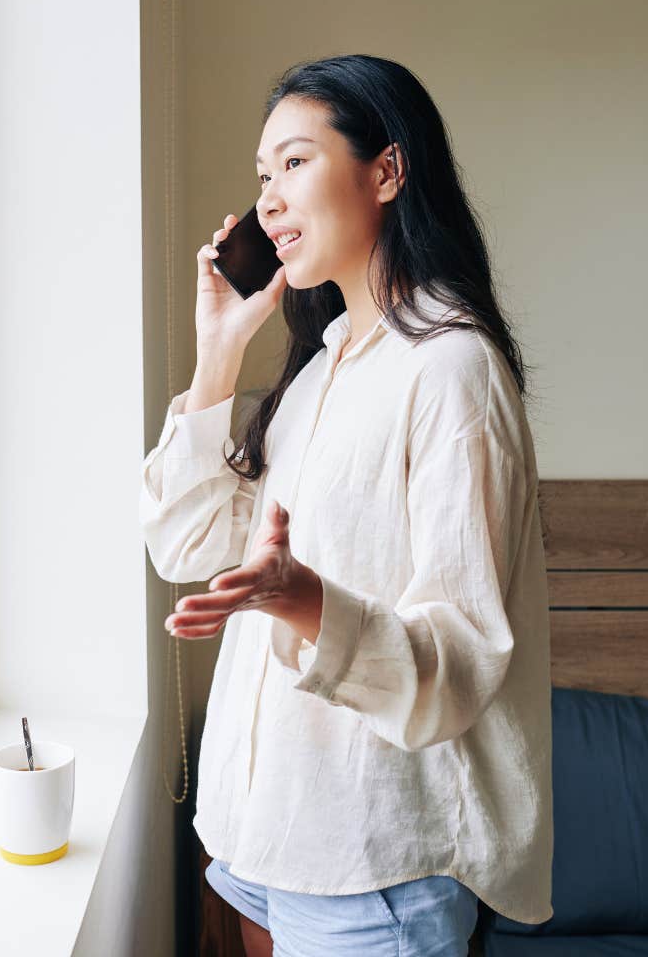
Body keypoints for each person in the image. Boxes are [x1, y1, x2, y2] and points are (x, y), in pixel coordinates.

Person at [139, 54, 553, 957]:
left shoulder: (451, 370)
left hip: (371, 871)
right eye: (261, 177)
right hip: (261, 840)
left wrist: (303, 601)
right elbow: (184, 542)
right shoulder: (322, 370)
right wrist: (218, 351)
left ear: (387, 171)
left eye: (294, 162)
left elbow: (463, 657)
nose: (268, 200)